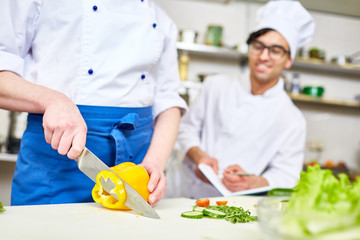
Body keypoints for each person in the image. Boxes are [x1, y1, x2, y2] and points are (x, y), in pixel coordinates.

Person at [0, 0, 187, 206]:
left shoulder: (161, 20)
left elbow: (168, 101)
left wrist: (155, 163)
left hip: (135, 167)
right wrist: (53, 100)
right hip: (58, 162)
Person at [175, 0, 315, 198]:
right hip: (187, 194)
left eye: (276, 50)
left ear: (289, 59)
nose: (264, 56)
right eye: (258, 46)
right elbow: (185, 129)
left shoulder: (292, 119)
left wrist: (251, 181)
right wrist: (199, 157)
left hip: (238, 207)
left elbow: (287, 175)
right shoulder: (215, 85)